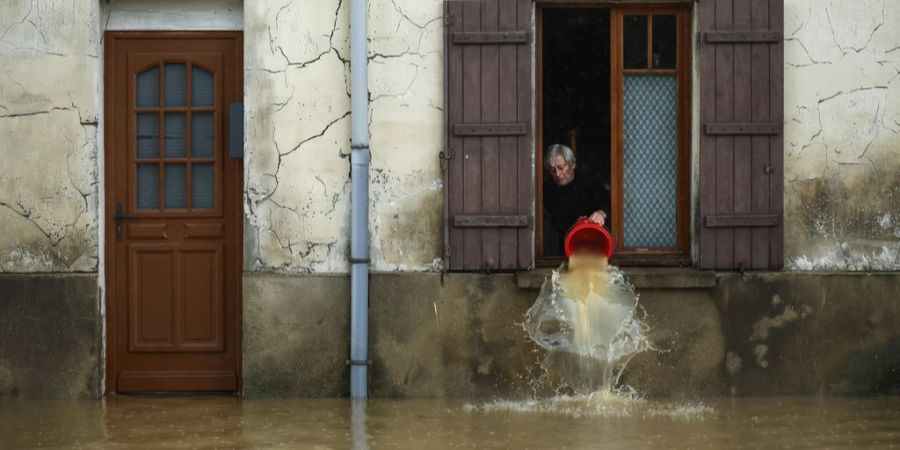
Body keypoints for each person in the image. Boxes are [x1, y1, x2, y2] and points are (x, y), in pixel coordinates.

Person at [542, 144, 609, 255]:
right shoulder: (547, 189)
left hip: (594, 242)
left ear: (572, 164)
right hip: (564, 247)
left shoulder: (589, 181)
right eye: (553, 170)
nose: (558, 174)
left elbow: (610, 202)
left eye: (561, 167)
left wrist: (601, 213)